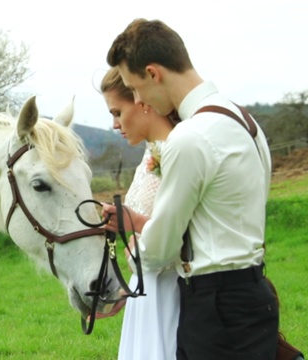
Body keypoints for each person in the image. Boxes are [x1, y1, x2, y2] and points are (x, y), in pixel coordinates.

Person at [101, 18, 279, 359]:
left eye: (135, 87)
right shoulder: (245, 120)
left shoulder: (189, 137)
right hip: (256, 294)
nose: (139, 99)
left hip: (215, 305)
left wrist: (138, 227)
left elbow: (158, 250)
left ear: (153, 73)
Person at [98, 66, 180, 360]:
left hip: (173, 293)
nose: (115, 124)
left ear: (142, 100)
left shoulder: (180, 150)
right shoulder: (150, 154)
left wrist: (137, 224)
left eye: (117, 112)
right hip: (146, 290)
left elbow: (183, 232)